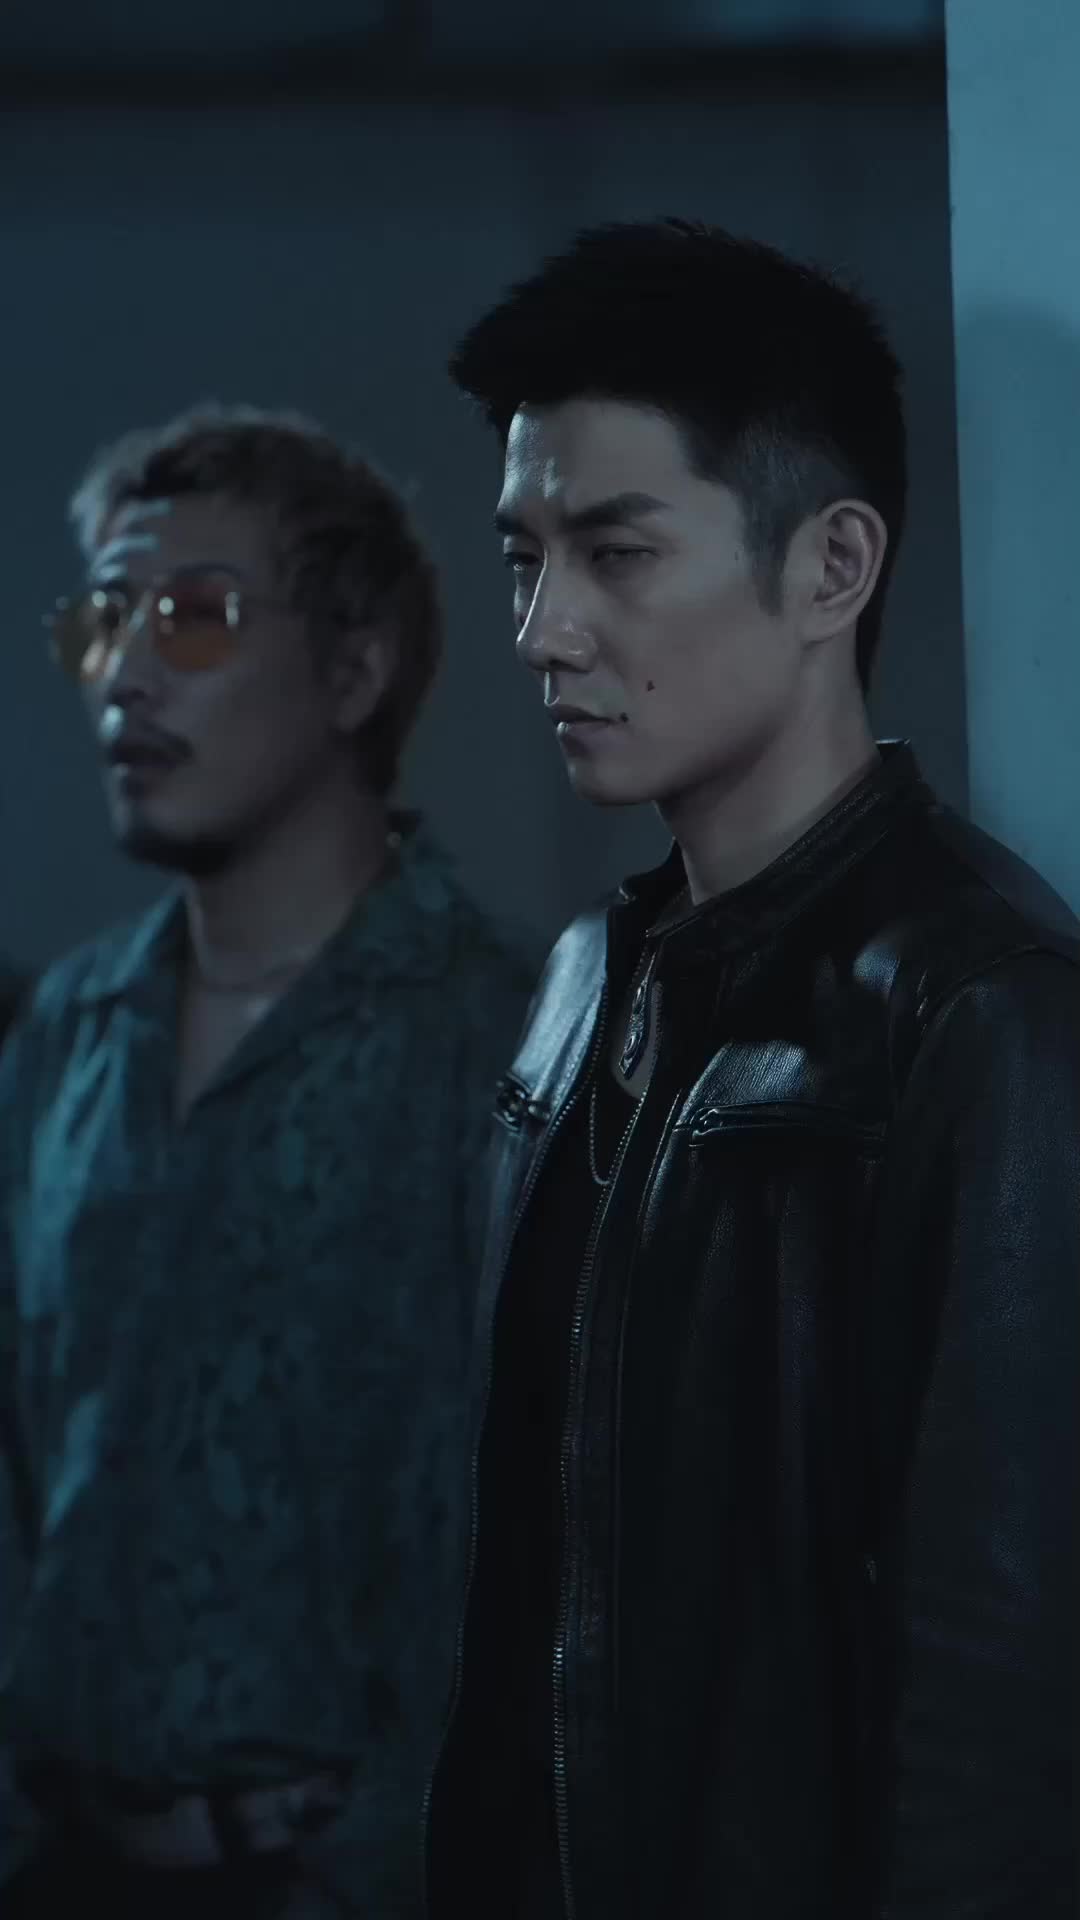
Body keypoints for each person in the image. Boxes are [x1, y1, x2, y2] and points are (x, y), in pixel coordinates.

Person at [423, 220, 1080, 1919]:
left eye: (618, 553)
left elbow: (1001, 1689)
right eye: (524, 557)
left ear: (831, 568)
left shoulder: (978, 1009)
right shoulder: (586, 984)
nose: (543, 629)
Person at [0, 405, 533, 1918]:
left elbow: (516, 1548)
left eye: (195, 616)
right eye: (105, 618)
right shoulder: (69, 1031)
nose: (126, 672)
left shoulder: (495, 1040)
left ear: (354, 672)